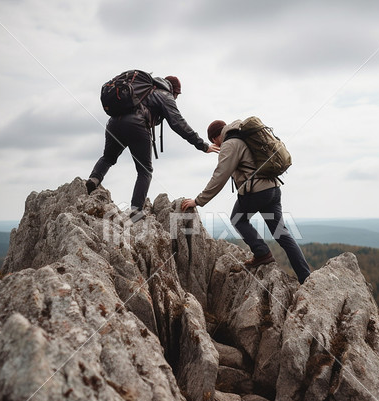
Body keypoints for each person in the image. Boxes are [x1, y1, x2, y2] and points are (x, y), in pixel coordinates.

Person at [181, 119, 310, 284]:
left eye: (215, 142)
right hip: (273, 189)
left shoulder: (230, 144)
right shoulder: (244, 136)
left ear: (215, 139)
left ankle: (262, 253)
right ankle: (305, 277)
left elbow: (220, 176)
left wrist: (198, 201)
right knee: (281, 234)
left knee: (238, 219)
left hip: (256, 192)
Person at [86, 75, 219, 219]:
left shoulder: (142, 88)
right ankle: (136, 210)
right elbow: (178, 123)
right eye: (177, 95)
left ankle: (93, 180)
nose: (175, 99)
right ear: (174, 90)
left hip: (113, 123)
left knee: (108, 157)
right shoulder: (164, 95)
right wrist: (203, 145)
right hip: (136, 125)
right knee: (145, 171)